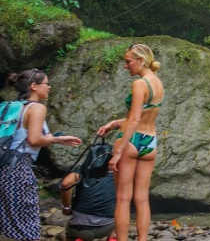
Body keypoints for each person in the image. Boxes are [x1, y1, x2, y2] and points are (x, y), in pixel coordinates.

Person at [0, 69, 82, 241]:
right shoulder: (37, 108)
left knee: (11, 223)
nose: (49, 87)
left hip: (5, 169)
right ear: (34, 86)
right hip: (19, 169)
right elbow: (34, 139)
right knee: (27, 224)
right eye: (46, 84)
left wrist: (57, 139)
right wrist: (56, 140)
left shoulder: (15, 107)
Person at [97, 43, 164, 241]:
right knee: (142, 198)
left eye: (128, 62)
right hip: (150, 141)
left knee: (123, 198)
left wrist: (118, 152)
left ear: (141, 61)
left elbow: (134, 120)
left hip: (131, 141)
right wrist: (114, 123)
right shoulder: (157, 83)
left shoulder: (139, 84)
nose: (126, 66)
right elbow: (142, 116)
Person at [60, 167, 116, 239]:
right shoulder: (122, 170)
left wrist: (66, 207)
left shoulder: (85, 166)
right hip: (107, 227)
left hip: (79, 228)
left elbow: (66, 183)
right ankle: (113, 237)